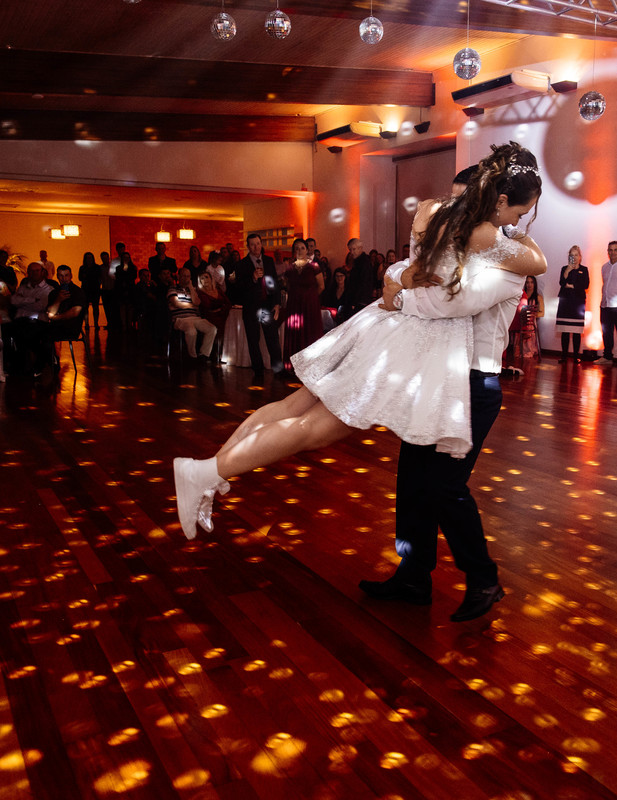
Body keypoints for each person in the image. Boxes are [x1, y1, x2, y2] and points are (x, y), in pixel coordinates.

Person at [174, 143, 546, 627]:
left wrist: (399, 294)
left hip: (472, 381)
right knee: (412, 483)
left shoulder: (506, 258)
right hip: (427, 370)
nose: (522, 221)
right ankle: (414, 575)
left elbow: (447, 303)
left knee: (444, 487)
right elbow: (415, 275)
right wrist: (402, 281)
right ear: (498, 202)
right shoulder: (464, 233)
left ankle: (482, 579)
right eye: (518, 210)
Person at [236, 233, 284, 377]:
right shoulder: (241, 264)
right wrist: (253, 278)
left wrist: (277, 303)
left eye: (258, 243)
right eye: (252, 244)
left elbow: (274, 283)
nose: (256, 247)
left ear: (261, 244)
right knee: (253, 339)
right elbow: (239, 288)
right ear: (248, 246)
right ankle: (258, 371)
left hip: (267, 305)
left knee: (273, 339)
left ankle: (278, 370)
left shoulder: (269, 261)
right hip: (251, 307)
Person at [280, 237, 325, 370]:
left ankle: (310, 366)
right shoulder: (289, 269)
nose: (299, 250)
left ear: (307, 250)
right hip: (294, 305)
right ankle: (293, 366)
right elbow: (288, 286)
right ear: (294, 251)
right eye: (297, 248)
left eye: (302, 248)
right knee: (295, 334)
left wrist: (310, 299)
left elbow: (321, 286)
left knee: (310, 333)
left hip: (310, 306)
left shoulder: (314, 266)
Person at [168, 267, 217, 361]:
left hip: (195, 318)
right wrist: (191, 306)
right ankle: (193, 356)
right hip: (180, 319)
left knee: (212, 329)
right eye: (184, 276)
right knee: (192, 332)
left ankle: (204, 355)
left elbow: (197, 302)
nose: (186, 278)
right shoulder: (173, 288)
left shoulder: (192, 289)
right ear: (179, 277)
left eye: (188, 276)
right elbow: (176, 303)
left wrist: (190, 287)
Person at [555, 245, 589, 361]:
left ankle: (576, 357)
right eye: (571, 255)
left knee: (576, 331)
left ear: (580, 257)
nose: (574, 257)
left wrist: (572, 285)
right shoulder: (564, 268)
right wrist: (567, 272)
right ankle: (564, 356)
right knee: (565, 330)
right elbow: (562, 282)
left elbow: (585, 285)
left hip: (577, 303)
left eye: (576, 255)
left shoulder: (584, 269)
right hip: (565, 302)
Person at [505, 274, 544, 371]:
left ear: (534, 284)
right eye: (527, 282)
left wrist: (532, 315)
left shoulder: (538, 297)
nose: (529, 285)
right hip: (520, 320)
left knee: (528, 326)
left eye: (531, 282)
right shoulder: (520, 295)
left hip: (530, 322)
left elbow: (542, 313)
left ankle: (527, 350)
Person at [78, 252, 102, 331]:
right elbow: (80, 278)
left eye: (90, 258)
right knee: (86, 307)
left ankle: (95, 323)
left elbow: (81, 278)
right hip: (86, 289)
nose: (89, 259)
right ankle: (87, 323)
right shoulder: (84, 268)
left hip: (94, 289)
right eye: (87, 258)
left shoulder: (94, 267)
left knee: (95, 307)